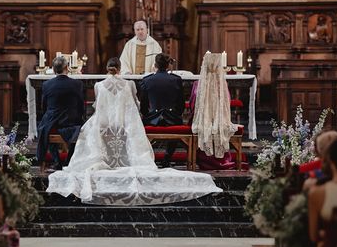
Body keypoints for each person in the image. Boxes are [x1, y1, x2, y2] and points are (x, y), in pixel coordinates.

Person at [47, 57, 221, 205]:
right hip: (125, 126)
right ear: (120, 68)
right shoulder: (129, 84)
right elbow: (135, 106)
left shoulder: (99, 85)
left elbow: (97, 107)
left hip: (105, 126)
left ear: (107, 69)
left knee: (90, 133)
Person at [36, 56, 84, 170]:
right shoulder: (77, 84)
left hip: (53, 121)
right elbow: (81, 106)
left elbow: (44, 106)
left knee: (45, 127)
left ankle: (57, 161)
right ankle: (68, 161)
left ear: (53, 69)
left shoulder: (47, 84)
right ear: (67, 68)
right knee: (81, 130)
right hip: (72, 121)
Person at [140, 53, 184, 167]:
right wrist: (176, 114)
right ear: (168, 66)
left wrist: (147, 115)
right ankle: (167, 158)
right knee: (179, 122)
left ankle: (150, 158)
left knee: (140, 126)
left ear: (155, 65)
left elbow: (143, 105)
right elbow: (181, 104)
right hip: (172, 118)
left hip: (152, 119)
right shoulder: (176, 80)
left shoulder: (147, 80)